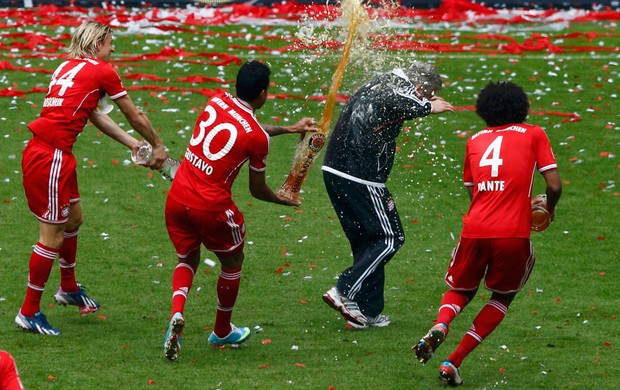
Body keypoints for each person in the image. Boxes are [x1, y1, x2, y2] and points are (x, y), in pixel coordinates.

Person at [16, 21, 168, 336]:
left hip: (51, 154)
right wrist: (156, 145)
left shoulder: (67, 67)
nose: (113, 50)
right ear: (98, 42)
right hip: (51, 158)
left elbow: (95, 114)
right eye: (111, 43)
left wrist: (132, 144)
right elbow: (134, 114)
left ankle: (68, 287)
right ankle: (29, 311)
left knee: (74, 220)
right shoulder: (101, 70)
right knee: (51, 236)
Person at [162, 60, 318, 361]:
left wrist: (289, 129)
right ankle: (221, 330)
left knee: (187, 258)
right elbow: (256, 189)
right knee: (233, 261)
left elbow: (246, 127)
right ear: (263, 93)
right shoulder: (256, 138)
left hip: (178, 195)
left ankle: (177, 314)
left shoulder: (217, 99)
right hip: (211, 206)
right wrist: (281, 199)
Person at [411, 81, 562, 386]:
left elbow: (476, 192)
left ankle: (441, 324)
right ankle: (453, 361)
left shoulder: (475, 140)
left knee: (462, 288)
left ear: (484, 110)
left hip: (476, 229)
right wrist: (550, 207)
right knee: (502, 296)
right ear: (522, 107)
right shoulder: (534, 133)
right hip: (512, 235)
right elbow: (554, 185)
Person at [321, 61, 455, 329]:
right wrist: (428, 106)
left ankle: (364, 311)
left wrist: (423, 101)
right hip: (358, 175)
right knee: (390, 237)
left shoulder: (382, 80)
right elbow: (396, 99)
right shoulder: (395, 89)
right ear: (418, 86)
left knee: (367, 241)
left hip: (337, 171)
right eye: (426, 94)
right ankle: (344, 290)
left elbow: (394, 102)